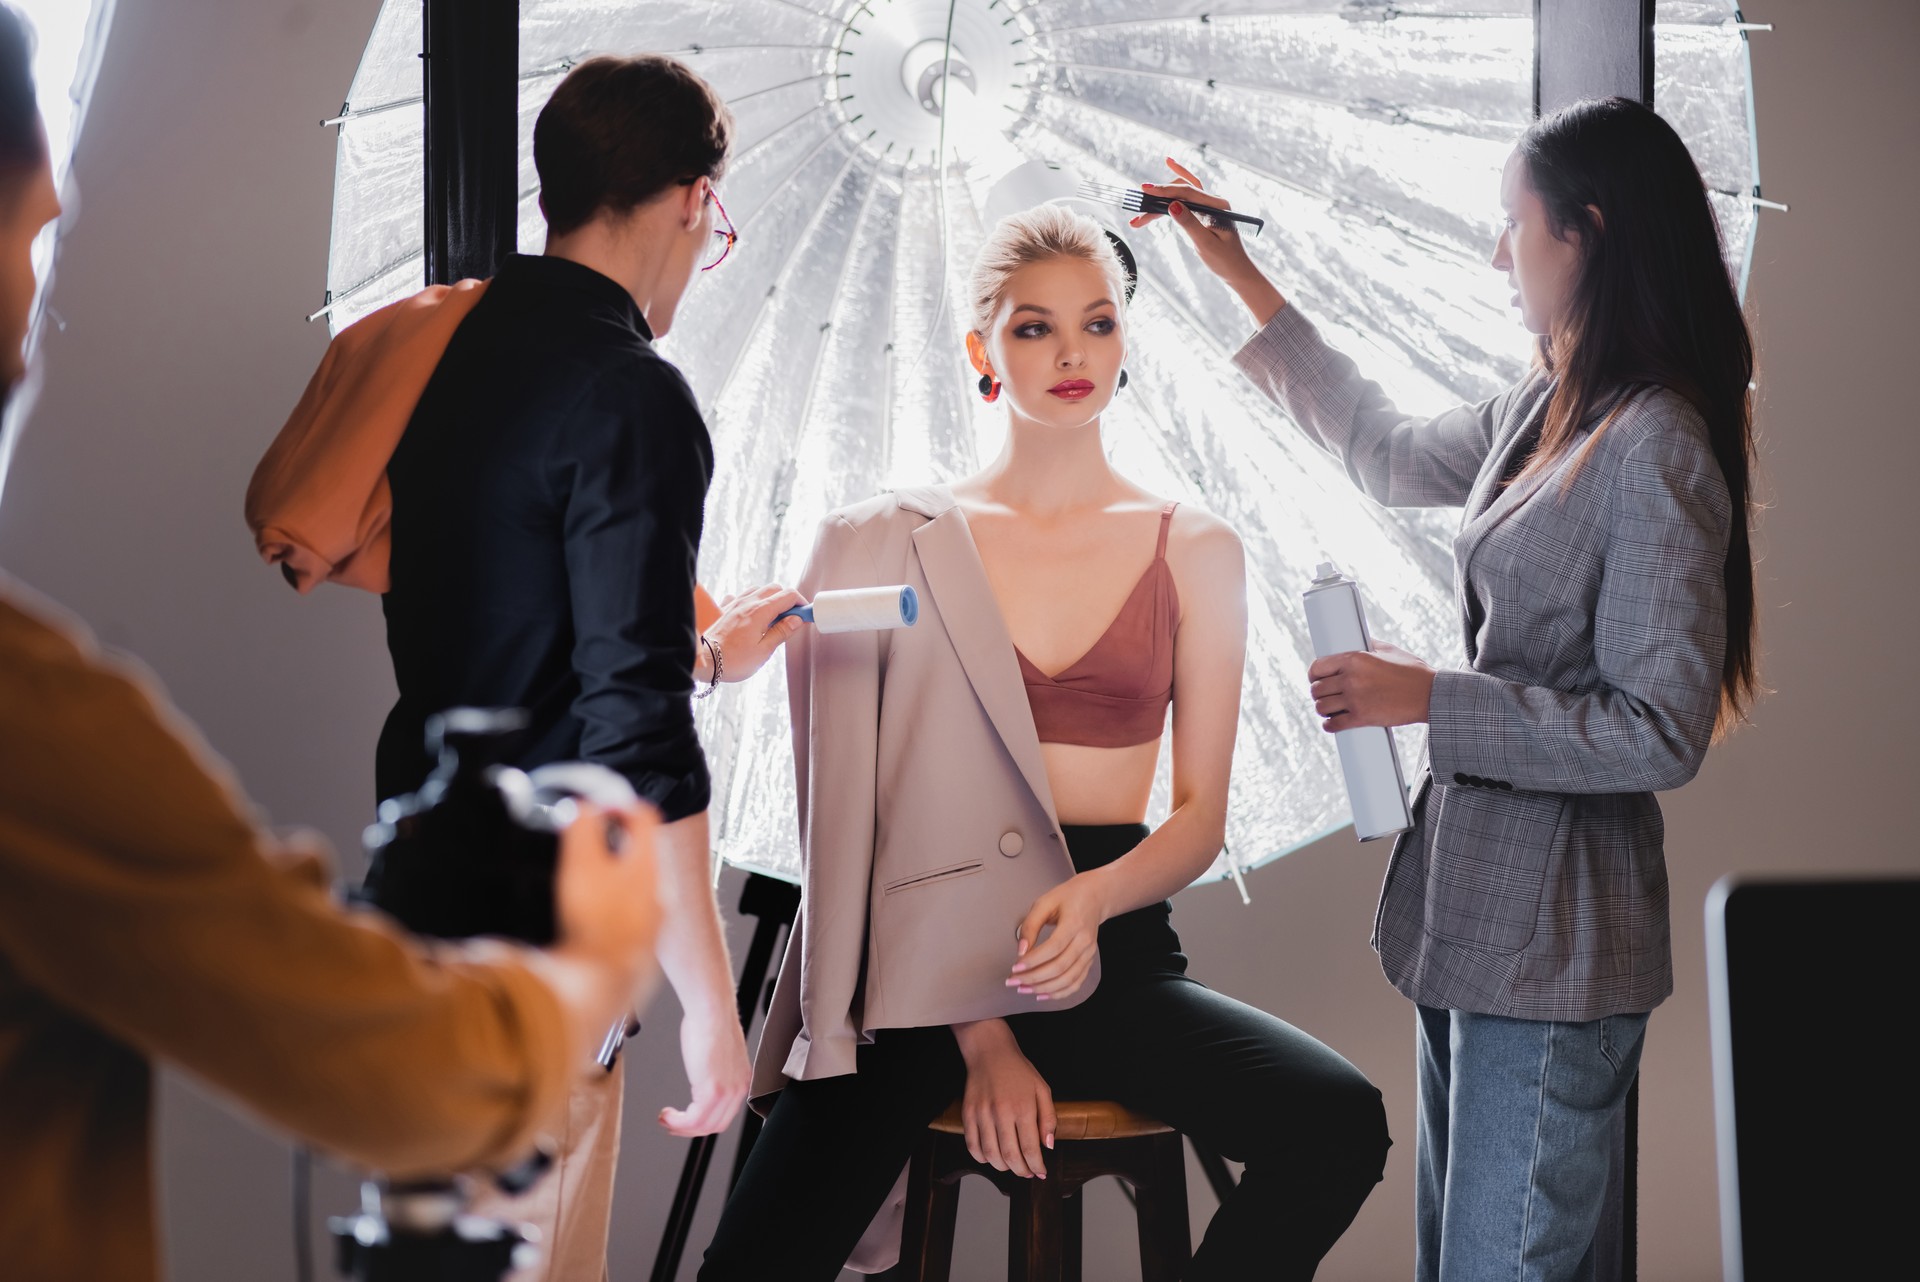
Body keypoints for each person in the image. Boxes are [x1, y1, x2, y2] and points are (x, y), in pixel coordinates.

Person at [0, 10, 663, 1281]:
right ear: (686, 200)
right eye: (30, 236)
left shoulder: (445, 337)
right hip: (500, 949)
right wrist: (588, 971)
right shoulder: (30, 724)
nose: (33, 312)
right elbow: (399, 1068)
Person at [699, 204, 1390, 1281]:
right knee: (754, 1262)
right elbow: (851, 813)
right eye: (1034, 328)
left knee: (1340, 1125)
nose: (1073, 352)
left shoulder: (1196, 547)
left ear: (1124, 341)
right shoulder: (891, 537)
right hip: (919, 978)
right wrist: (981, 1033)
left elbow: (1199, 814)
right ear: (983, 351)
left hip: (1112, 959)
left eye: (1098, 324)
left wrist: (1092, 899)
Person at [1141, 95, 1757, 1281]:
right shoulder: (1548, 404)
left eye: (1511, 226)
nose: (1497, 254)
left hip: (1562, 945)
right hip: (1472, 924)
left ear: (1585, 232)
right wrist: (1239, 272)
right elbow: (1385, 450)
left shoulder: (1657, 446)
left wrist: (1429, 695)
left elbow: (1659, 731)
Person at [369, 52, 805, 1279]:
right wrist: (716, 1010)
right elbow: (635, 735)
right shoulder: (632, 395)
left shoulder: (450, 349)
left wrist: (705, 656)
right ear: (686, 199)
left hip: (414, 889)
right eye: (712, 219)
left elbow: (509, 631)